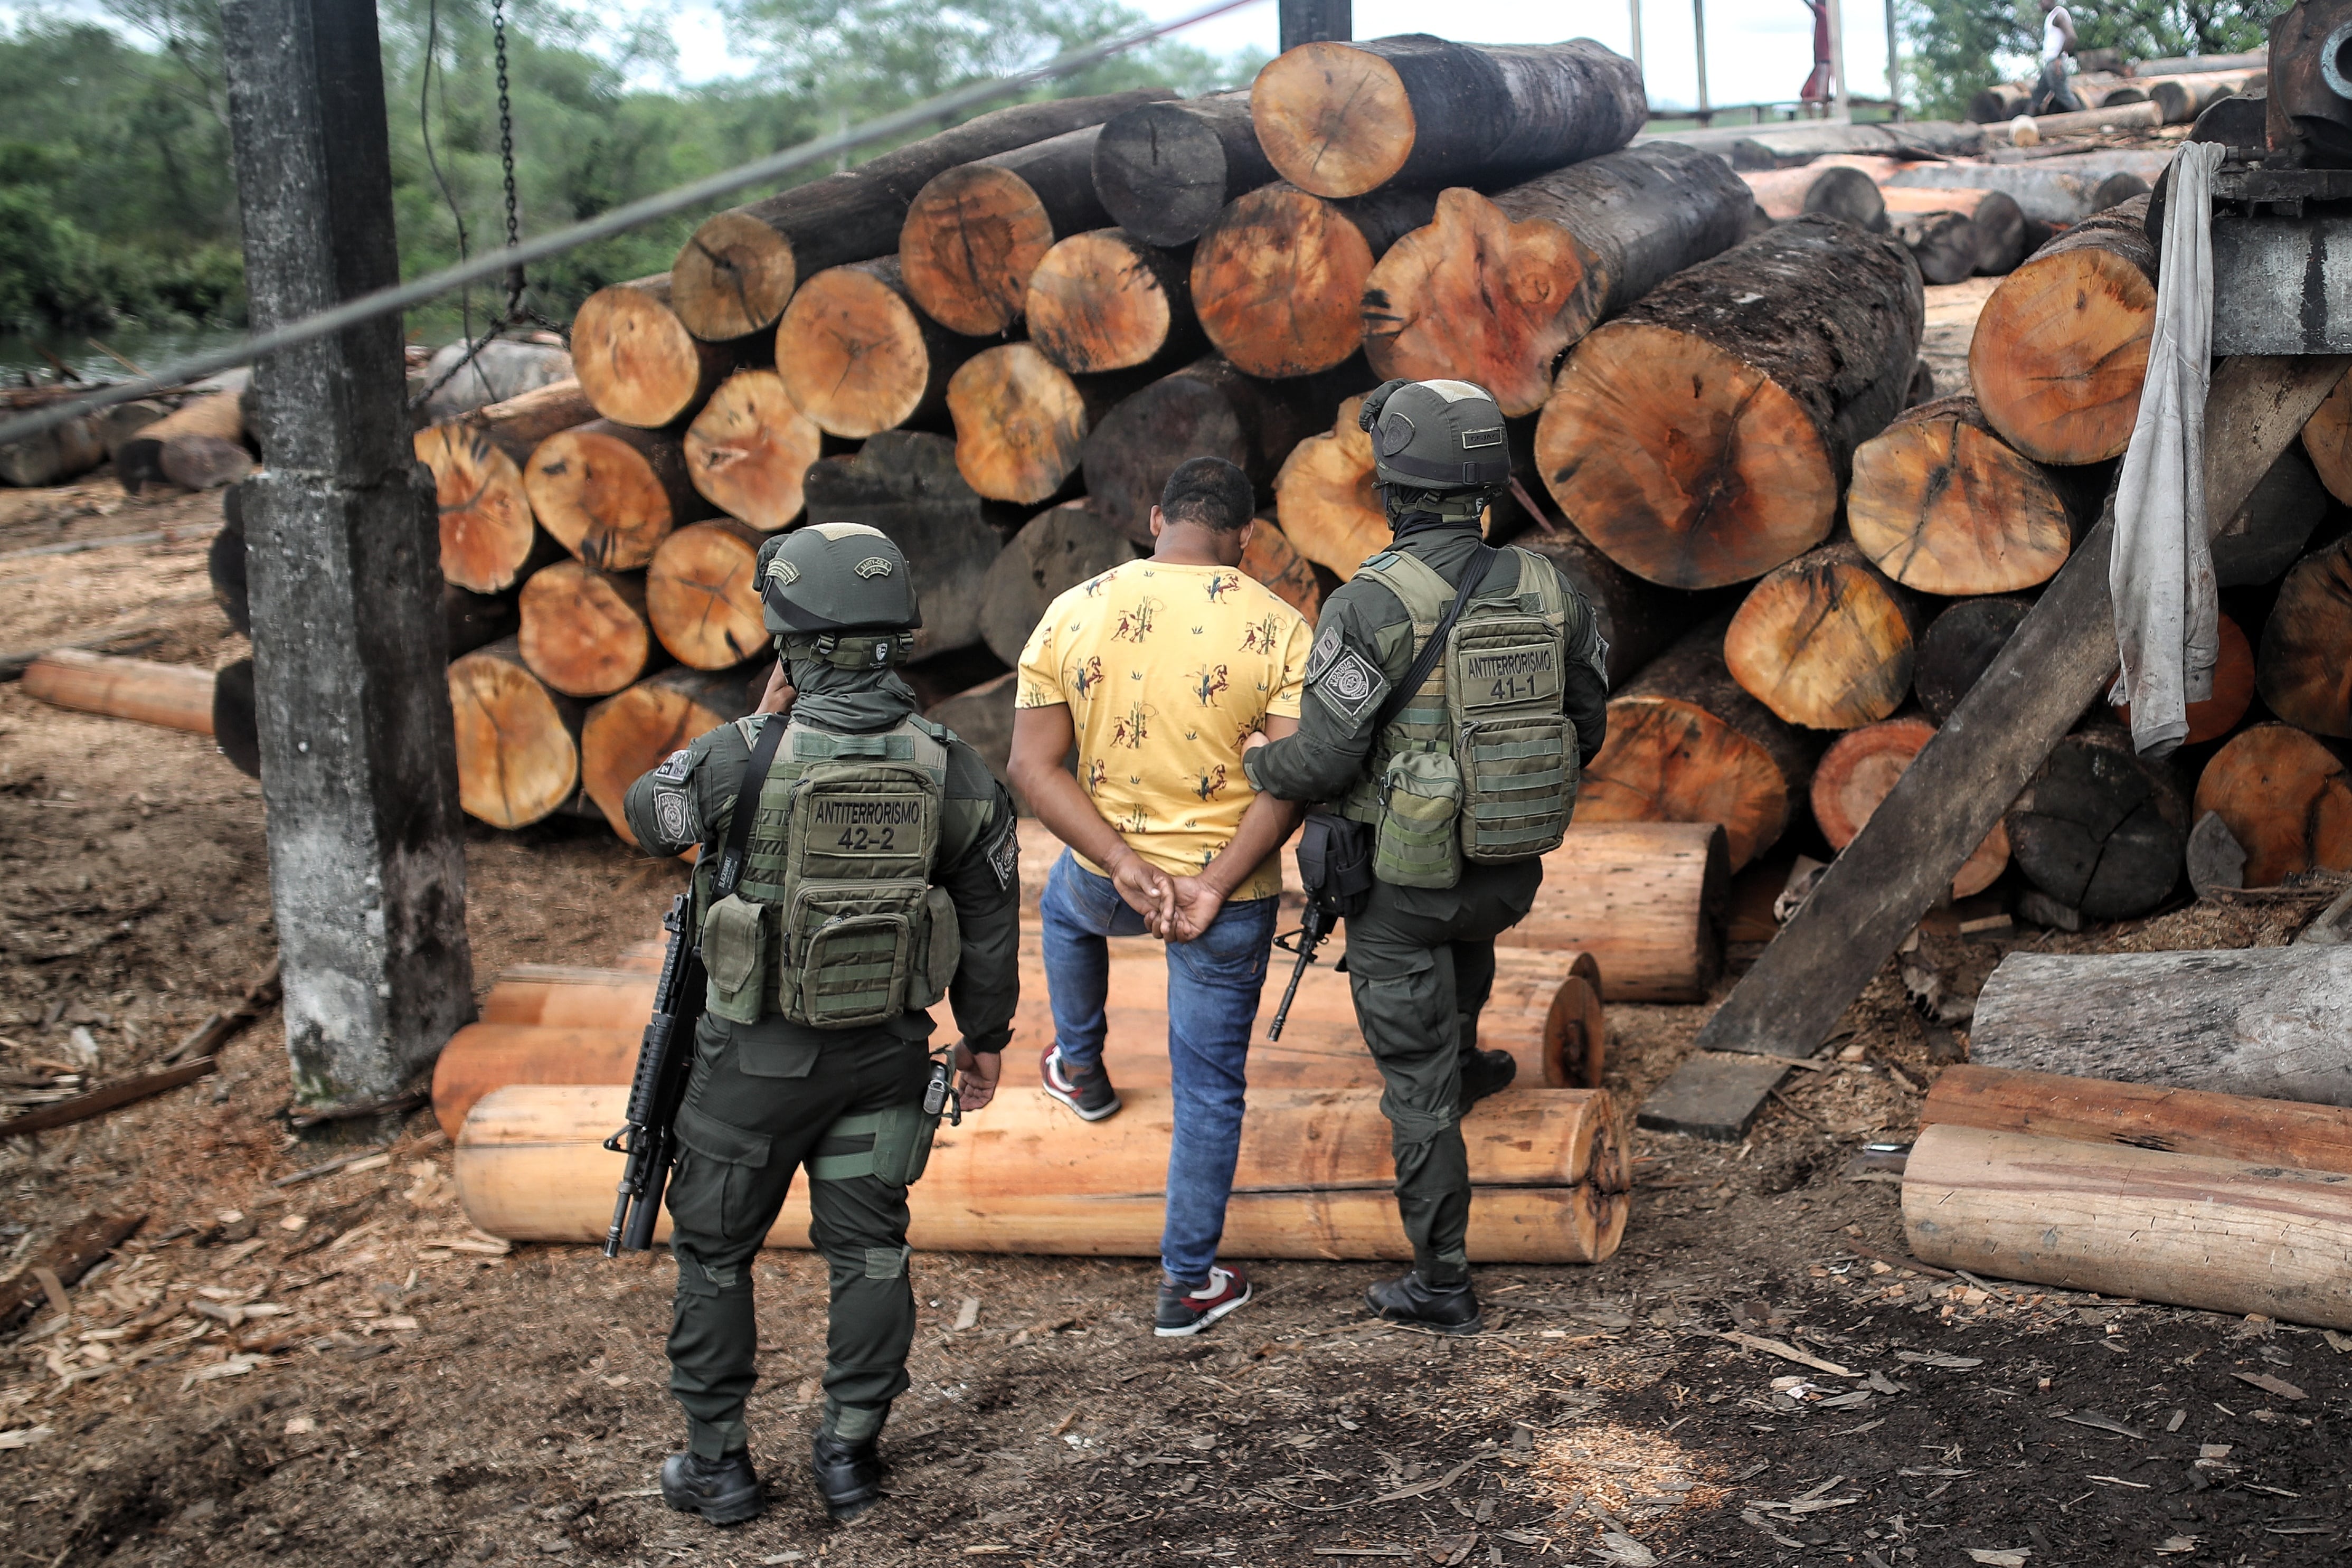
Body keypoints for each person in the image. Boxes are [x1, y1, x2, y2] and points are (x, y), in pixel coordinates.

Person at [621, 522, 1021, 1527]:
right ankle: (850, 1455)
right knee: (871, 1251)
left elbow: (647, 812)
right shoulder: (952, 764)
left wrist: (754, 726)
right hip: (885, 1058)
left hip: (751, 1066)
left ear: (790, 636)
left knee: (716, 1257)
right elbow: (990, 916)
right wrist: (985, 1037)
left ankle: (719, 1468)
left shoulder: (741, 756)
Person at [1242, 379, 1609, 1337]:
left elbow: (1324, 758)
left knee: (1416, 1092)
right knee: (1465, 939)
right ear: (1484, 486)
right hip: (1507, 869)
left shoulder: (1368, 605)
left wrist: (1256, 760)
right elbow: (1588, 725)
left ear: (1394, 489)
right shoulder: (1550, 588)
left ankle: (1439, 1280)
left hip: (1404, 889)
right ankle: (1468, 1057)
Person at [1005, 456, 1314, 1338]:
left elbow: (1033, 765)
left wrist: (1117, 859)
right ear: (1246, 540)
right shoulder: (1283, 627)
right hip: (1231, 895)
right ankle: (1187, 1287)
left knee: (1065, 910)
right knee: (1209, 1090)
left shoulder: (1074, 609)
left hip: (1113, 877)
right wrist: (1212, 884)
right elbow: (1290, 782)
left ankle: (1082, 1067)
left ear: (1154, 519)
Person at [2031, 0, 2083, 114]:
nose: (2040, 4)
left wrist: (2059, 58)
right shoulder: (2051, 17)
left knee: (2064, 96)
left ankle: (2086, 118)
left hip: (2055, 64)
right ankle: (2023, 123)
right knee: (2037, 97)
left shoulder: (2058, 15)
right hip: (2051, 64)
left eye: (2042, 1)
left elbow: (2072, 37)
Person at [1798, 0, 1833, 108]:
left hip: (1825, 61)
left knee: (1822, 96)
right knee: (1806, 94)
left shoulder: (1823, 12)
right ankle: (1819, 122)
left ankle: (1825, 122)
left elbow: (1811, 6)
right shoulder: (1824, 14)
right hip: (1820, 62)